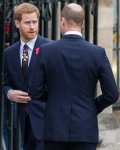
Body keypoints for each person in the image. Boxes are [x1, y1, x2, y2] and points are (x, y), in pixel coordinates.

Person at [28, 3, 119, 150]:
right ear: (82, 23)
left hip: (54, 130)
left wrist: (53, 103)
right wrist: (92, 107)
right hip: (85, 130)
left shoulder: (46, 51)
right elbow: (112, 94)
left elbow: (34, 91)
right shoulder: (97, 53)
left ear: (62, 20)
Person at [3, 3, 52, 150]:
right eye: (27, 22)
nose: (32, 26)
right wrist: (10, 93)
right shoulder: (9, 53)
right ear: (17, 23)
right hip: (21, 124)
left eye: (35, 22)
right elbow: (5, 83)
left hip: (47, 122)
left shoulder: (51, 48)